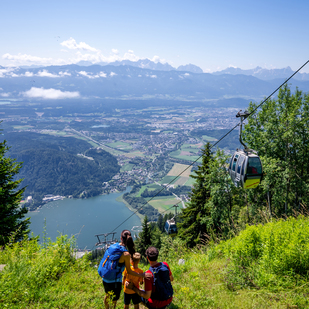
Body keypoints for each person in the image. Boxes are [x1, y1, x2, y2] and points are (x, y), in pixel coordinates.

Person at [102, 230, 151, 309]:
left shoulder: (113, 246)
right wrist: (142, 275)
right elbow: (129, 271)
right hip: (114, 280)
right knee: (114, 299)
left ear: (121, 238)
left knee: (107, 295)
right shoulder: (126, 254)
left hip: (105, 277)